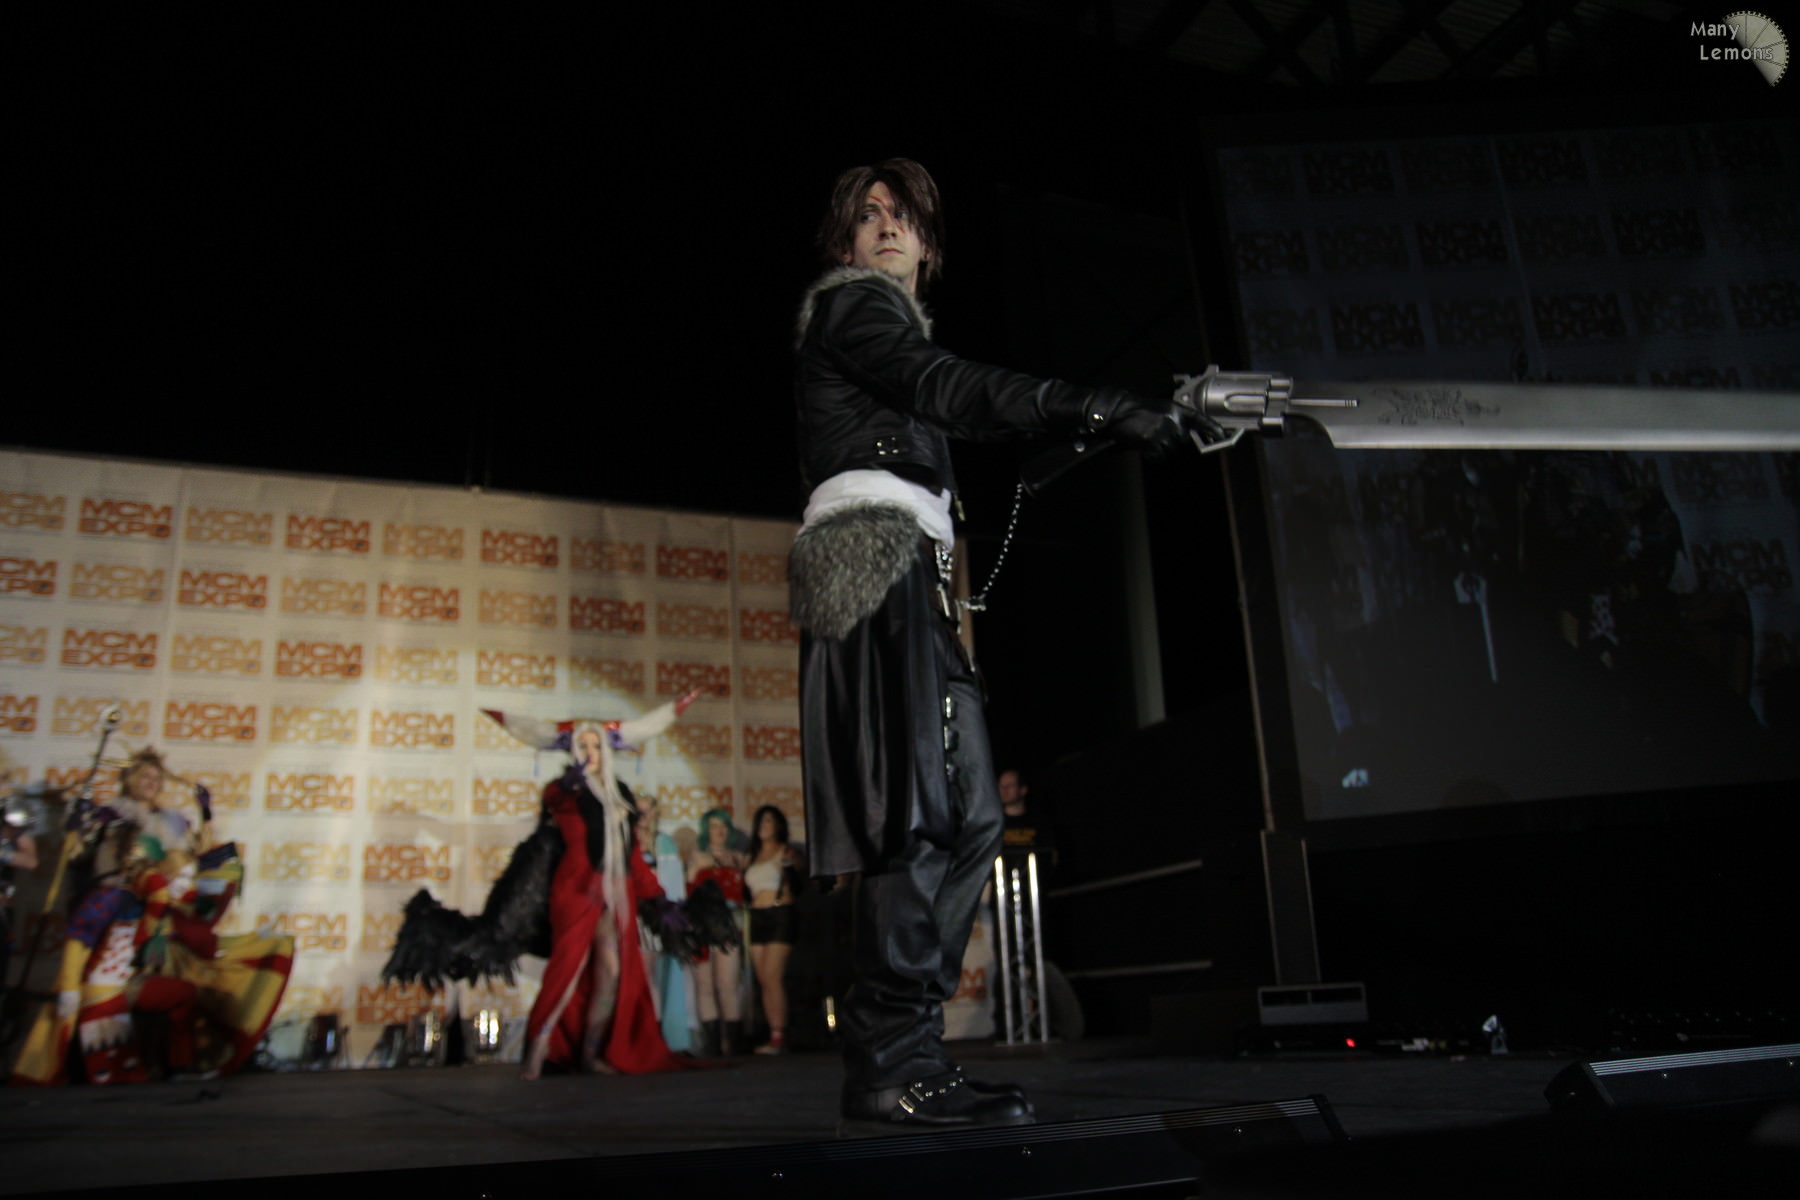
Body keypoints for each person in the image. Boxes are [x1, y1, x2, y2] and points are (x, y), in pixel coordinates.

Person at [788, 158, 1189, 1129]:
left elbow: (946, 395)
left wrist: (1103, 427)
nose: (887, 227)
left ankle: (904, 1052)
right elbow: (947, 385)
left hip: (906, 574)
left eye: (904, 216)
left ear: (929, 245)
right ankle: (892, 1063)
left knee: (968, 820)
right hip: (870, 562)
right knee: (918, 818)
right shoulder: (854, 305)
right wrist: (1095, 404)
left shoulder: (892, 337)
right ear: (845, 244)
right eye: (868, 216)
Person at [10, 748, 293, 1085]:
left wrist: (205, 814)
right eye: (144, 776)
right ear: (130, 779)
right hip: (115, 942)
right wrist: (79, 828)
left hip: (155, 920)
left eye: (156, 778)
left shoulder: (171, 825)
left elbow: (196, 858)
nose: (151, 783)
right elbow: (81, 861)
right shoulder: (112, 820)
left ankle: (179, 1065)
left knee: (192, 983)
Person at [520, 723, 682, 1079]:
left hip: (616, 891)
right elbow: (554, 802)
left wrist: (657, 897)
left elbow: (631, 853)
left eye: (596, 745)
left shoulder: (620, 793)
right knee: (569, 970)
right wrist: (569, 786)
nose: (590, 751)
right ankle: (538, 1050)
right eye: (583, 745)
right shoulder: (565, 792)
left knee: (611, 972)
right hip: (579, 889)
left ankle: (590, 1053)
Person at [686, 807, 746, 1056]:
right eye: (713, 826)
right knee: (705, 984)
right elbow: (688, 890)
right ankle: (712, 1045)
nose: (719, 831)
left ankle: (733, 1043)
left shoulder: (738, 858)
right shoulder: (697, 856)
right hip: (701, 924)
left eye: (723, 826)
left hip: (729, 924)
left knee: (727, 983)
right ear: (706, 831)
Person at [635, 795, 693, 1053]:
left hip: (653, 917)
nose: (643, 817)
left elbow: (673, 886)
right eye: (639, 811)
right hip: (629, 915)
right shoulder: (626, 841)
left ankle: (655, 1037)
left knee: (649, 975)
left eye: (647, 811)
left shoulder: (663, 843)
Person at [744, 805, 801, 1055]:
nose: (763, 826)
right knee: (762, 978)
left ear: (778, 826)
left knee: (772, 975)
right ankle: (772, 1034)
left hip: (780, 913)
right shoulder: (752, 856)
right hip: (757, 915)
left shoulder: (785, 851)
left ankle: (780, 1033)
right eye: (760, 821)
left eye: (768, 821)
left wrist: (790, 867)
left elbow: (798, 882)